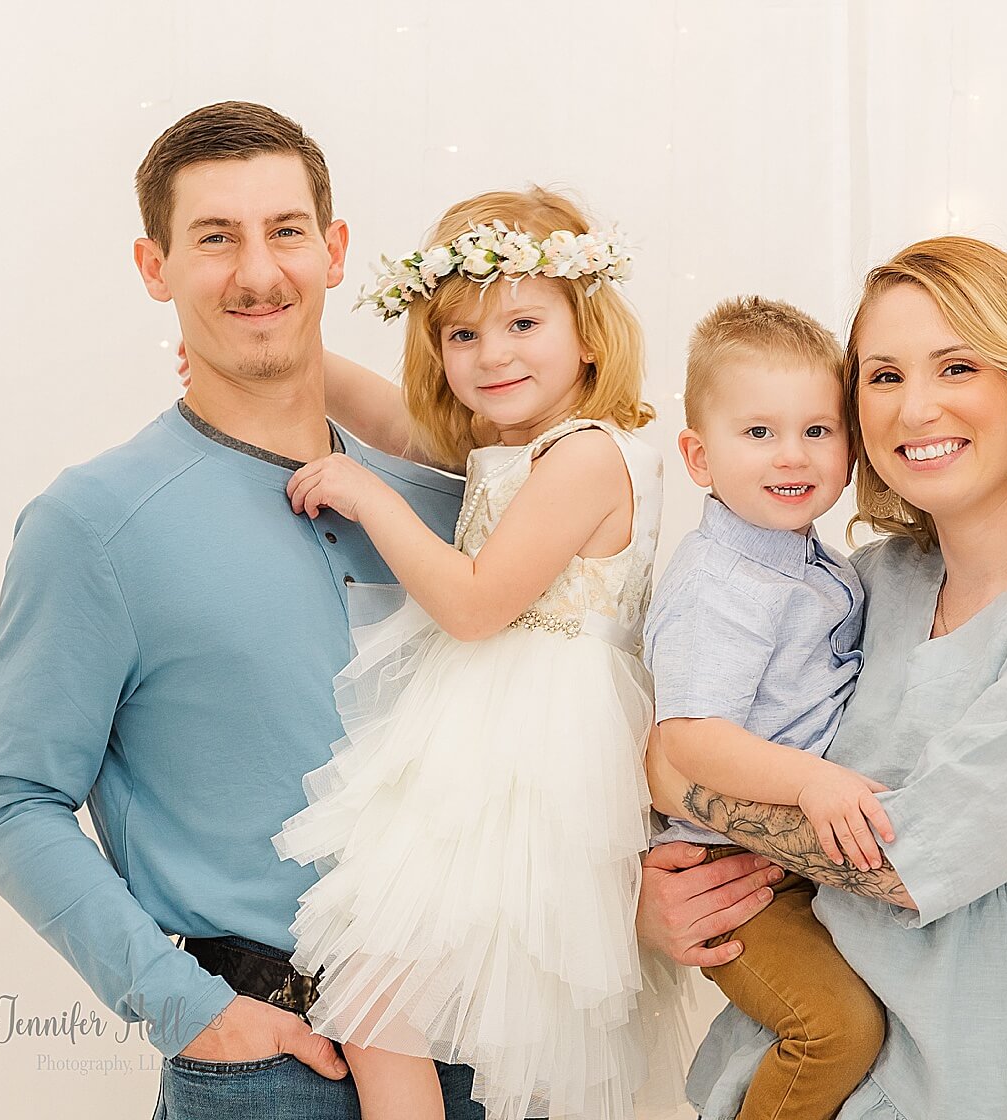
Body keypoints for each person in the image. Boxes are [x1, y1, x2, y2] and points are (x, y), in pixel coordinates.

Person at [0, 101, 493, 1119]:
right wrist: (187, 1007)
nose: (258, 272)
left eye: (285, 231)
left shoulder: (453, 513)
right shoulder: (95, 523)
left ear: (333, 252)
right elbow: (8, 801)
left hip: (500, 1050)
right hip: (274, 1067)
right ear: (152, 267)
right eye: (214, 237)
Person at [643, 237, 1007, 1120]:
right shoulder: (867, 584)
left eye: (957, 366)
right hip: (791, 1082)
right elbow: (691, 741)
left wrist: (691, 789)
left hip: (996, 1087)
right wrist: (666, 896)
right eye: (884, 376)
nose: (916, 407)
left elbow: (910, 858)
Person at [269, 187, 691, 1120]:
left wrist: (365, 494)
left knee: (412, 987)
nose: (491, 354)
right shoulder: (524, 445)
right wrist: (299, 359)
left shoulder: (586, 457)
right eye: (461, 336)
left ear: (589, 331)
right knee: (392, 989)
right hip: (493, 732)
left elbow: (473, 605)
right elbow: (399, 424)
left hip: (535, 751)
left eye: (523, 323)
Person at [642, 295, 889, 1120]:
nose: (794, 454)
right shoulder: (722, 585)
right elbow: (693, 741)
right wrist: (812, 782)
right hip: (732, 873)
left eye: (818, 431)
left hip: (804, 867)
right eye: (759, 433)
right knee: (836, 1030)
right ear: (698, 456)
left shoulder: (819, 564)